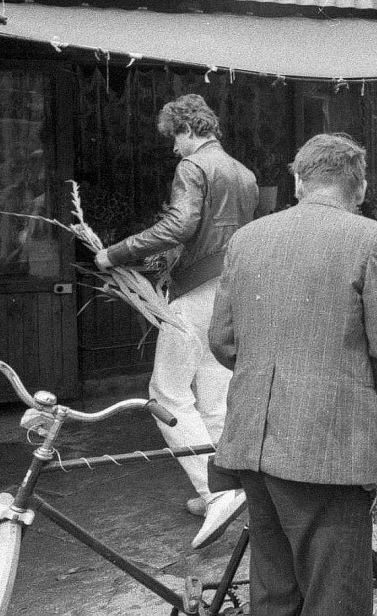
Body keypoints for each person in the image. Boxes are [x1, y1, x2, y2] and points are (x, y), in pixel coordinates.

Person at [209, 133, 377, 616]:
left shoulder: (246, 238)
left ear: (298, 181)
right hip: (326, 443)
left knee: (275, 590)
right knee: (334, 595)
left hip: (252, 443)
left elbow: (223, 340)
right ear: (359, 187)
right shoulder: (368, 238)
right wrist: (345, 384)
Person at [97, 94, 258, 527]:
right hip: (232, 291)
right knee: (214, 400)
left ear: (190, 130)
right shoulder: (244, 173)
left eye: (175, 137)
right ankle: (233, 490)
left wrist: (116, 252)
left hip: (196, 291)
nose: (173, 148)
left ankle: (214, 493)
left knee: (166, 394)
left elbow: (180, 225)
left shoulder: (193, 166)